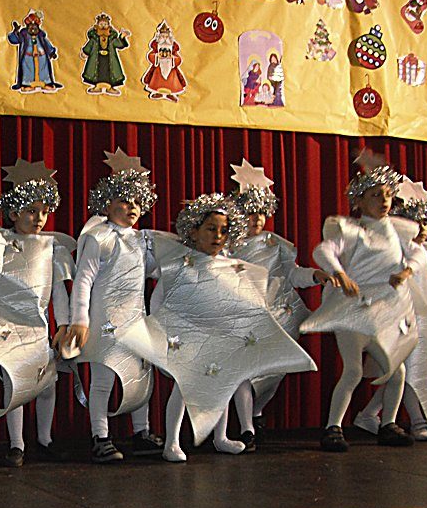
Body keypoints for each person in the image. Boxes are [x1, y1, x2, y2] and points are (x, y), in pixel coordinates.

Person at [121, 194, 315, 462]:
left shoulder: (228, 265)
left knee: (223, 385)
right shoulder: (180, 264)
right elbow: (160, 298)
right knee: (184, 388)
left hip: (219, 337)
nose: (218, 236)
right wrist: (161, 328)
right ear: (194, 231)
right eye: (211, 229)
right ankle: (172, 442)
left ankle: (220, 437)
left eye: (223, 231)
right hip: (187, 339)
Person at [301, 165, 421, 452]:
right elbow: (322, 250)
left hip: (384, 310)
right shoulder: (352, 230)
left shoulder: (397, 229)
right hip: (354, 309)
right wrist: (340, 274)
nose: (384, 200)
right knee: (353, 370)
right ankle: (333, 427)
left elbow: (418, 253)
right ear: (359, 201)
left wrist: (407, 271)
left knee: (397, 370)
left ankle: (388, 424)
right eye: (375, 195)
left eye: (388, 194)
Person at [0, 163, 74, 467]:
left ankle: (45, 439)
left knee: (47, 384)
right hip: (5, 325)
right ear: (13, 213)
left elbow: (59, 290)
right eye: (31, 211)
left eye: (44, 212)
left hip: (37, 326)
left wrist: (63, 325)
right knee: (16, 384)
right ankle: (17, 444)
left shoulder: (51, 246)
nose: (39, 218)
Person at [66, 150, 164, 463]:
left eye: (137, 201)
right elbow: (83, 280)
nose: (131, 207)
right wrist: (79, 321)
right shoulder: (98, 238)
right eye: (124, 201)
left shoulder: (142, 240)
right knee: (104, 378)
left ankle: (141, 433)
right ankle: (101, 436)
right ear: (107, 205)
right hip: (105, 321)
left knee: (139, 375)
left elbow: (153, 270)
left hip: (135, 318)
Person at [227, 161, 334, 450]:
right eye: (250, 212)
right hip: (243, 315)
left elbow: (293, 274)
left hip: (278, 316)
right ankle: (247, 429)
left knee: (272, 374)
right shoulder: (228, 245)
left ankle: (256, 414)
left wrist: (315, 275)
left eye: (261, 212)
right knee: (243, 372)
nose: (257, 219)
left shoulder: (275, 244)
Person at [353, 190, 427, 441]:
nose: (422, 229)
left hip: (424, 321)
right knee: (407, 369)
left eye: (426, 223)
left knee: (409, 371)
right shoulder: (396, 249)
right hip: (401, 318)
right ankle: (418, 422)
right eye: (416, 223)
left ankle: (369, 413)